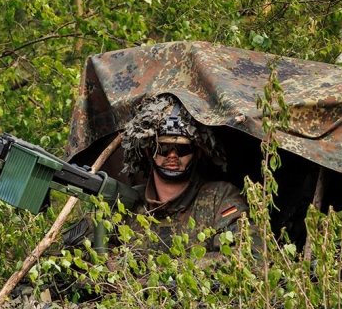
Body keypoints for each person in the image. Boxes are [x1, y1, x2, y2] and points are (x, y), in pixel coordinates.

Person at [64, 94, 252, 254]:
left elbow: (242, 257)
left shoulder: (219, 199)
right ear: (148, 151)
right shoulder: (126, 202)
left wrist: (158, 275)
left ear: (198, 152)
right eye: (163, 147)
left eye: (181, 149)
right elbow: (74, 250)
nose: (172, 156)